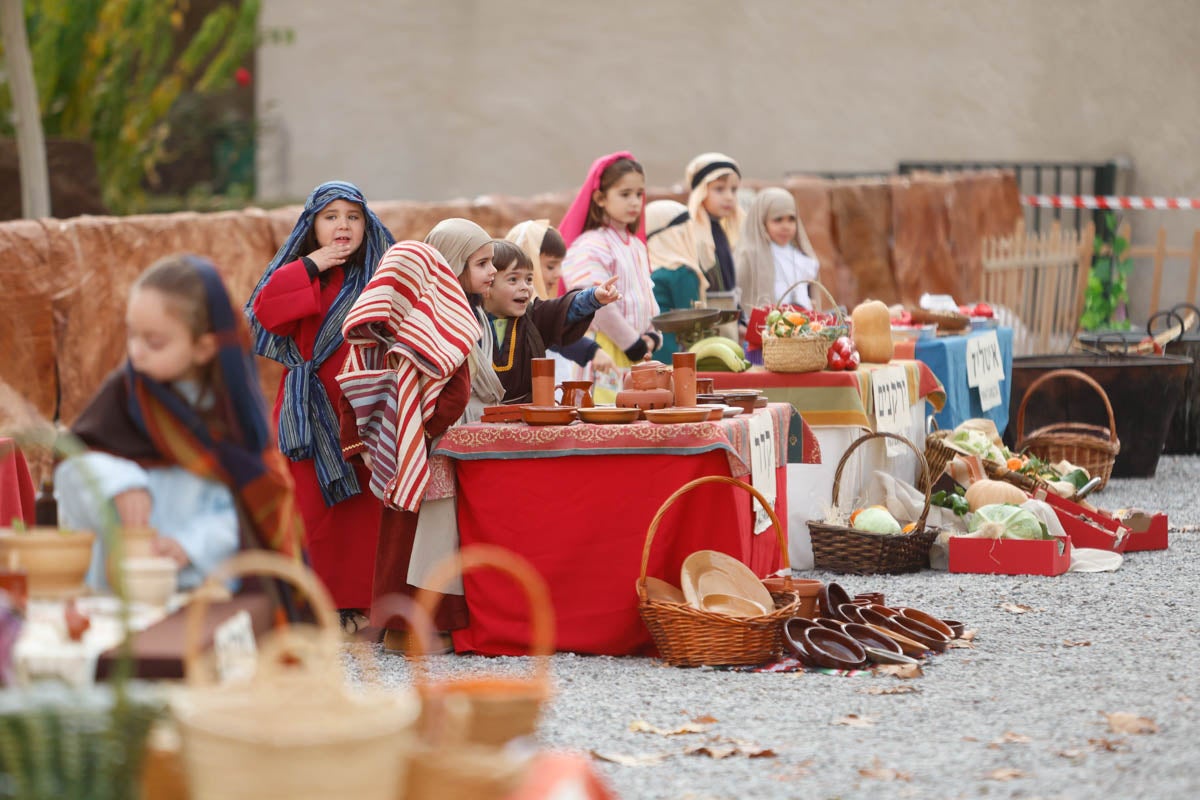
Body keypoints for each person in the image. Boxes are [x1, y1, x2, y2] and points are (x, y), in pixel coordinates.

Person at [56, 255, 302, 591]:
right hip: (117, 603)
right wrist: (117, 482)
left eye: (154, 341)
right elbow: (71, 468)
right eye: (132, 335)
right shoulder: (122, 398)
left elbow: (250, 512)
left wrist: (192, 544)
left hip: (199, 604)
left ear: (203, 348)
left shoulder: (231, 418)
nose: (136, 352)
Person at [244, 181, 393, 622]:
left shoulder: (382, 273)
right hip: (307, 410)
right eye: (331, 217)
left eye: (353, 216)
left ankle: (364, 605)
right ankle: (314, 605)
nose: (343, 225)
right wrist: (309, 265)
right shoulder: (301, 271)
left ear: (367, 224)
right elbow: (268, 312)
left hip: (366, 408)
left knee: (366, 509)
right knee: (311, 508)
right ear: (313, 226)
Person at [337, 241, 476, 653]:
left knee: (433, 539)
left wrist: (420, 432)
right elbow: (350, 393)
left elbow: (456, 395)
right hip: (394, 455)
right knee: (399, 542)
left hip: (427, 456)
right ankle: (398, 626)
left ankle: (432, 628)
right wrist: (367, 444)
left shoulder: (445, 336)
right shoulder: (368, 340)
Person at [560, 151, 660, 402]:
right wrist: (631, 343)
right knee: (604, 421)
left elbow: (646, 295)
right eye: (625, 194)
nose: (635, 202)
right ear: (600, 198)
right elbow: (596, 303)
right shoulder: (590, 245)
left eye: (639, 194)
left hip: (637, 353)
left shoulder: (636, 246)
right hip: (603, 355)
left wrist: (652, 334)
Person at [483, 240, 619, 403]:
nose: (525, 287)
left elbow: (563, 309)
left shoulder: (534, 317)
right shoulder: (469, 323)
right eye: (513, 279)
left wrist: (593, 297)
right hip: (476, 418)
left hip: (527, 417)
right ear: (487, 285)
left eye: (529, 279)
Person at [506, 220, 615, 383]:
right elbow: (547, 326)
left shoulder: (543, 303)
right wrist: (591, 350)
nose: (559, 274)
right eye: (550, 267)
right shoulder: (515, 308)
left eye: (559, 266)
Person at [423, 218, 505, 423]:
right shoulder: (436, 319)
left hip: (481, 422)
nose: (493, 270)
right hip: (450, 427)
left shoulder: (478, 313)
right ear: (453, 264)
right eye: (482, 263)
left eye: (492, 261)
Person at [735, 187, 821, 311]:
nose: (785, 226)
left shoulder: (801, 257)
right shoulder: (749, 256)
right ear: (762, 222)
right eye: (778, 220)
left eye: (791, 219)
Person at [646, 199, 708, 355]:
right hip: (675, 357)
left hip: (650, 350)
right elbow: (692, 325)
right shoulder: (681, 272)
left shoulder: (649, 270)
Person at [684, 152, 746, 295]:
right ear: (701, 191)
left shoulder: (720, 230)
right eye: (719, 189)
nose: (729, 197)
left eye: (734, 190)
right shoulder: (691, 234)